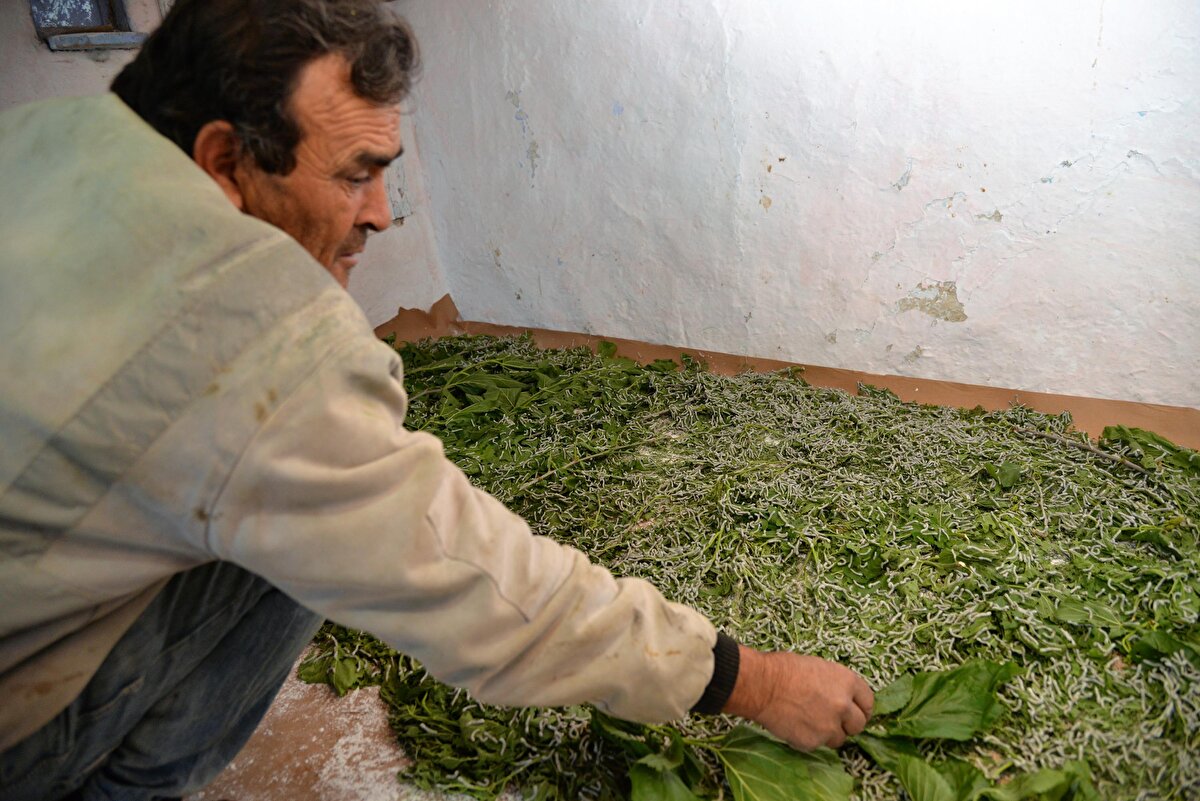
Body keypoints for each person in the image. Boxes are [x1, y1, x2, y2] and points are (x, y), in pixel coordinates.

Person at [0, 1, 873, 798]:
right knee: (319, 540)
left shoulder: (47, 137)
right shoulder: (253, 332)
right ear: (224, 159)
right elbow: (476, 584)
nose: (382, 214)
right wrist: (747, 679)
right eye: (354, 175)